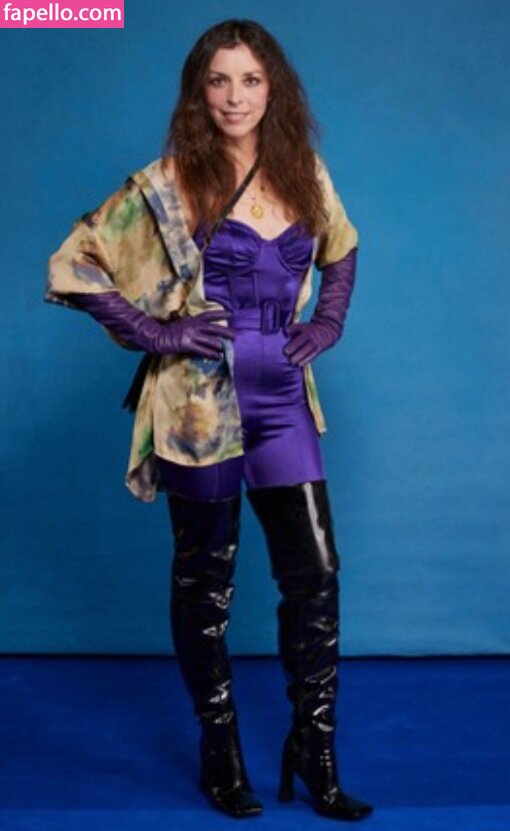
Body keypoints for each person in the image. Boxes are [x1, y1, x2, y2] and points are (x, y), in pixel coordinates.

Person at [45, 18, 374, 822]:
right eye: (218, 80)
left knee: (316, 576)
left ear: (273, 88)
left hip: (283, 398)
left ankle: (315, 750)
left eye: (250, 80)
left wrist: (327, 323)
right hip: (197, 406)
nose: (234, 97)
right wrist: (157, 333)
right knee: (207, 582)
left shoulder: (303, 171)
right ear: (199, 90)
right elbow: (73, 262)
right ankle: (219, 748)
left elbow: (342, 248)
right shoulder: (168, 182)